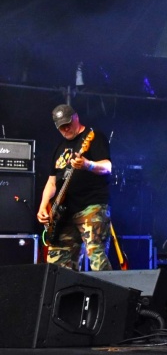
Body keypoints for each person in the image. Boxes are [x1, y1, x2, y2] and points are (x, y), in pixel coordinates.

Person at [36, 104, 114, 271]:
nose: (65, 129)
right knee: (57, 265)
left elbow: (107, 167)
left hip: (91, 206)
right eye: (61, 127)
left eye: (67, 124)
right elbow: (51, 182)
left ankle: (107, 288)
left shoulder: (93, 137)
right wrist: (43, 206)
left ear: (76, 117)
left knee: (97, 258)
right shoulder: (59, 147)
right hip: (63, 213)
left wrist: (88, 165)